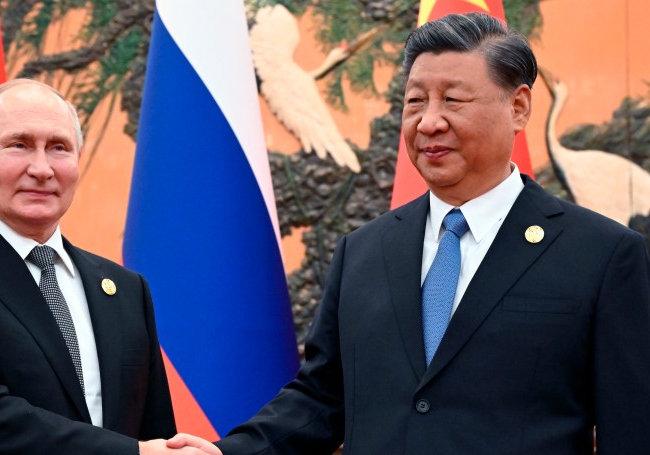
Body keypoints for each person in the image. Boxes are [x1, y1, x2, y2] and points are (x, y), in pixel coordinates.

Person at [168, 12, 650, 454]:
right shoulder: (363, 252)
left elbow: (631, 428)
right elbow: (320, 399)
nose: (429, 121)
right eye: (415, 101)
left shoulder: (603, 256)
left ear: (519, 107)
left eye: (453, 101)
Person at [0, 79, 208, 454]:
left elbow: (154, 430)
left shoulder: (125, 288)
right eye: (19, 145)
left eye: (58, 148)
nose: (41, 168)